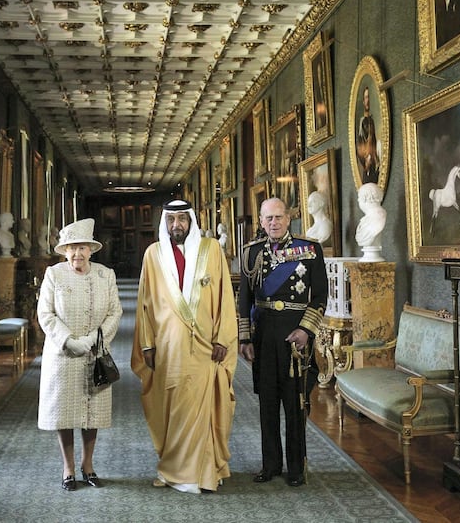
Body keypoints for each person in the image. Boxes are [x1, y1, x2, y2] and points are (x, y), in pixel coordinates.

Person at [131, 199, 238, 494]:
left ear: (191, 221)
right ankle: (172, 469)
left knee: (201, 408)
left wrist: (221, 338)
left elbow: (225, 298)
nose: (176, 225)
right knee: (173, 408)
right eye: (171, 220)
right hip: (167, 348)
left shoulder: (212, 250)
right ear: (164, 223)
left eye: (182, 219)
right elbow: (144, 303)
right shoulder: (153, 254)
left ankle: (202, 473)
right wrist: (147, 344)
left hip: (206, 346)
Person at [239, 197, 327, 487]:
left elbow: (319, 297)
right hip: (264, 337)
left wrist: (306, 331)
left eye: (278, 217)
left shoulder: (310, 250)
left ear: (289, 219)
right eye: (268, 219)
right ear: (261, 222)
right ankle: (270, 465)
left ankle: (296, 468)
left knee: (295, 403)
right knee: (267, 405)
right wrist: (245, 338)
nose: (274, 223)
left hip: (295, 338)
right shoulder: (250, 253)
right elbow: (245, 301)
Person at [37, 218, 123, 492]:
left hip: (94, 355)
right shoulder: (54, 274)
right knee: (65, 414)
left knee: (91, 413)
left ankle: (88, 466)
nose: (77, 254)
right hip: (63, 356)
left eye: (82, 248)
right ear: (64, 251)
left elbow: (115, 311)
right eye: (72, 248)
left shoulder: (105, 274)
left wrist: (93, 340)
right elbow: (45, 314)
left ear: (91, 250)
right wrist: (68, 341)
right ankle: (68, 468)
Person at [355, 86, 380, 185]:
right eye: (365, 97)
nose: (367, 100)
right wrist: (366, 158)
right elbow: (360, 144)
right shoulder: (363, 122)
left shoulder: (371, 120)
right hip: (367, 161)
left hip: (374, 159)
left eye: (368, 97)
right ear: (363, 101)